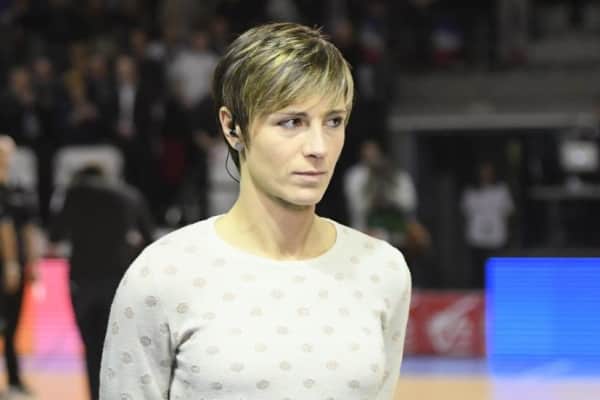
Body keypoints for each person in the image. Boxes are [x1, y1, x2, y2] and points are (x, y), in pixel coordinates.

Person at [100, 22, 411, 400]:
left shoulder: (382, 270)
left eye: (334, 121)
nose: (319, 147)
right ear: (232, 127)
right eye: (292, 122)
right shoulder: (162, 274)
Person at [49, 164, 154, 400]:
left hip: (83, 279)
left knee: (91, 346)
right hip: (119, 280)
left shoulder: (74, 195)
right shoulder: (130, 195)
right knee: (118, 347)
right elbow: (149, 239)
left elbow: (55, 235)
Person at [0, 135, 40, 399]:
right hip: (7, 266)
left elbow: (27, 228)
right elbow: (3, 228)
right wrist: (11, 264)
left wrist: (33, 262)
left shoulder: (18, 191)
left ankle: (14, 379)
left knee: (12, 326)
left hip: (15, 267)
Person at [461, 161, 514, 288]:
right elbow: (465, 212)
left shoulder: (501, 190)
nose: (486, 175)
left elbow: (508, 212)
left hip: (496, 237)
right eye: (483, 172)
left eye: (489, 172)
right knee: (477, 270)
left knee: (496, 270)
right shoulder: (470, 192)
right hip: (476, 237)